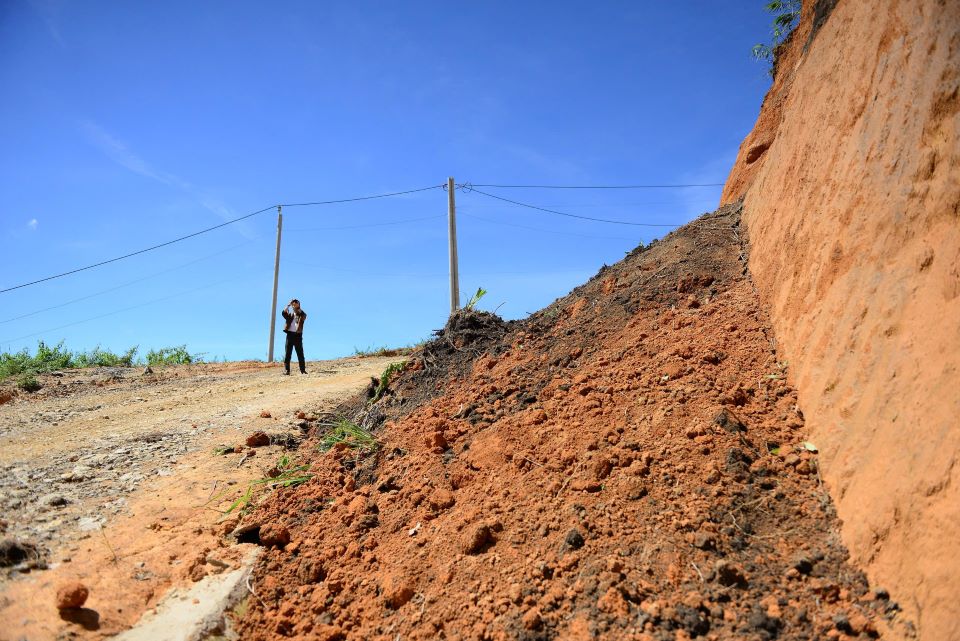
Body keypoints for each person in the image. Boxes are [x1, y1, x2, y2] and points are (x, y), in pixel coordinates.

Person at [281, 299, 307, 375]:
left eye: (296, 304)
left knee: (300, 353)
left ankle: (303, 370)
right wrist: (289, 305)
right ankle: (287, 370)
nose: (294, 305)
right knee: (287, 354)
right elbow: (283, 313)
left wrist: (297, 307)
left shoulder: (301, 315)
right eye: (293, 305)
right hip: (290, 335)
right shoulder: (290, 315)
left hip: (298, 335)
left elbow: (304, 315)